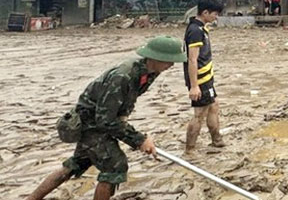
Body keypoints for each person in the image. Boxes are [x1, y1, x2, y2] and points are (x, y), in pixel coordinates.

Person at [25, 37, 186, 200]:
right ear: (155, 57)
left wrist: (128, 129)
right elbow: (105, 120)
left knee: (75, 164)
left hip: (101, 121)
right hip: (90, 123)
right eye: (168, 61)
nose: (171, 65)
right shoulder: (123, 76)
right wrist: (139, 140)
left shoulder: (149, 73)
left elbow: (124, 105)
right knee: (115, 167)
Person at [185, 0, 226, 153]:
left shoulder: (201, 28)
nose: (216, 17)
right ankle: (190, 149)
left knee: (214, 106)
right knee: (199, 113)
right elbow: (192, 60)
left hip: (206, 77)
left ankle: (216, 139)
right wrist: (194, 86)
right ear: (205, 12)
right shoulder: (195, 31)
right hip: (200, 79)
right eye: (215, 14)